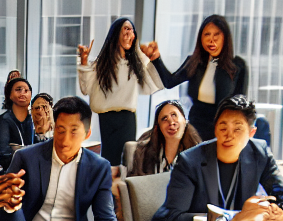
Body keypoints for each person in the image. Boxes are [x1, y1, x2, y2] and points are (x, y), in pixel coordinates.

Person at [6, 97, 125, 221]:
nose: (65, 140)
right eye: (60, 130)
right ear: (54, 128)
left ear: (87, 133)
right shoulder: (26, 158)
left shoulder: (99, 167)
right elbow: (8, 206)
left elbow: (105, 216)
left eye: (74, 131)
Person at [152, 96, 283, 221]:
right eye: (223, 128)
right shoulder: (190, 161)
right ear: (215, 129)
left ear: (251, 133)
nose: (229, 136)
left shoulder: (260, 153)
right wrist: (233, 218)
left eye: (237, 129)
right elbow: (173, 218)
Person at [77, 16, 165, 154]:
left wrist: (147, 56)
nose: (129, 33)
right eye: (126, 28)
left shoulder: (136, 63)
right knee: (109, 157)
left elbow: (153, 86)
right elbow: (85, 88)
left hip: (127, 118)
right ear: (116, 33)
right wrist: (83, 61)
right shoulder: (101, 65)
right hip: (106, 117)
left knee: (127, 158)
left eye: (132, 30)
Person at [153, 14, 249, 139]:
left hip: (223, 128)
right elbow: (169, 82)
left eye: (216, 35)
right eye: (207, 35)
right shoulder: (194, 62)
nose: (211, 40)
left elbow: (241, 105)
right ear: (200, 38)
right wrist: (156, 59)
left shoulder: (238, 66)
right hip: (196, 124)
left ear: (225, 38)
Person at [128, 100, 199, 176]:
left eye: (174, 115)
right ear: (157, 128)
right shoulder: (142, 154)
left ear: (185, 121)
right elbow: (136, 184)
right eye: (164, 119)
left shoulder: (198, 154)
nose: (171, 123)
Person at [0, 75, 38, 170]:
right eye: (18, 90)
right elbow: (3, 154)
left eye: (26, 90)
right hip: (7, 172)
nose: (22, 93)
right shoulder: (3, 121)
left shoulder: (33, 120)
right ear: (10, 95)